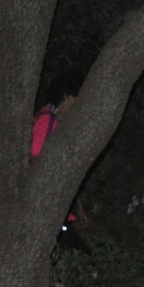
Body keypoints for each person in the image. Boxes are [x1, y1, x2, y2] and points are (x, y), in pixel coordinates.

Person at [30, 71, 89, 252]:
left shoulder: (59, 122)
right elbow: (35, 160)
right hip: (46, 209)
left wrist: (77, 206)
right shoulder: (47, 120)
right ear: (67, 96)